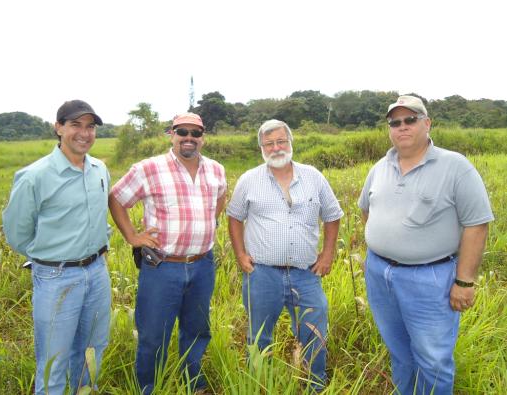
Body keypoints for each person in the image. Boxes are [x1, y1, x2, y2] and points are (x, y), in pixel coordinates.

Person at [358, 95, 494, 395]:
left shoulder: (455, 166)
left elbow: (477, 223)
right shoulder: (380, 166)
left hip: (430, 279)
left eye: (410, 120)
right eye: (395, 122)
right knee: (399, 351)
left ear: (427, 123)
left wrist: (465, 280)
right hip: (380, 274)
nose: (402, 127)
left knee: (433, 360)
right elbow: (366, 209)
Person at [109, 112, 226, 394]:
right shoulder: (148, 168)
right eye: (181, 132)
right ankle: (149, 388)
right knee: (153, 334)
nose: (189, 138)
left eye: (195, 133)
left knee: (198, 329)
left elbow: (221, 196)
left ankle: (193, 383)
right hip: (162, 266)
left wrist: (208, 222)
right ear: (170, 135)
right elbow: (116, 198)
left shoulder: (216, 169)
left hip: (202, 264)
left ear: (203, 137)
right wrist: (132, 236)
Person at [2, 100, 111, 395]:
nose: (84, 133)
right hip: (56, 278)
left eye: (90, 126)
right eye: (75, 125)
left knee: (92, 351)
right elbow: (17, 233)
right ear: (59, 127)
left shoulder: (100, 168)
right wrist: (48, 259)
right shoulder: (35, 176)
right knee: (53, 360)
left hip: (98, 272)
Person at [227, 119, 343, 390]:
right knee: (259, 335)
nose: (276, 148)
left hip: (305, 272)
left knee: (313, 331)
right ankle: (259, 384)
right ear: (261, 148)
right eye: (269, 143)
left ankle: (314, 385)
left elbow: (333, 215)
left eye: (281, 141)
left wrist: (327, 255)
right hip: (262, 274)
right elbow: (234, 217)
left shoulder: (313, 176)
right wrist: (241, 255)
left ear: (290, 143)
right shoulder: (249, 180)